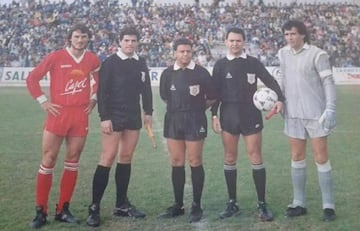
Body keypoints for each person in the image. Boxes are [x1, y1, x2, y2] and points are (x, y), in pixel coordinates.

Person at [26, 24, 101, 229]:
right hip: (58, 113)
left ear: (88, 39)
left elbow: (99, 79)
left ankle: (63, 209)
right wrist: (43, 100)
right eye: (76, 36)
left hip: (80, 115)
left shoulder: (92, 59)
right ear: (70, 38)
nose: (80, 40)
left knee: (73, 160)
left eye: (84, 37)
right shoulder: (56, 56)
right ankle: (40, 211)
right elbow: (32, 78)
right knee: (48, 159)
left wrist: (93, 99)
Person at [211, 27, 284, 221]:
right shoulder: (220, 65)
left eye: (238, 40)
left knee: (255, 155)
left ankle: (262, 203)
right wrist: (214, 115)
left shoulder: (253, 63)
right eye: (231, 40)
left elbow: (270, 81)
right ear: (225, 42)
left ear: (244, 42)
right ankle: (232, 203)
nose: (235, 43)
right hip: (228, 115)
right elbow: (215, 93)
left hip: (251, 115)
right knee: (229, 157)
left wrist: (280, 99)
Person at [86, 26, 153, 227]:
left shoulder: (140, 62)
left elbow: (146, 89)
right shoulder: (110, 63)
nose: (130, 44)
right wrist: (104, 117)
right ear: (120, 42)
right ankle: (94, 207)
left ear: (137, 42)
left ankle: (121, 204)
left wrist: (148, 111)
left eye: (133, 41)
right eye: (127, 40)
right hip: (113, 116)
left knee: (126, 158)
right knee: (107, 158)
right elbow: (102, 92)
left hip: (133, 116)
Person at [278, 20, 336, 222]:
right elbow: (283, 80)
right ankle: (299, 202)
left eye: (293, 34)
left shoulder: (318, 54)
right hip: (292, 114)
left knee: (321, 157)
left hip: (315, 114)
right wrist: (280, 101)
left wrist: (330, 108)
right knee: (296, 156)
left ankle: (328, 206)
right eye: (286, 34)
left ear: (302, 34)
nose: (289, 38)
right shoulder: (282, 54)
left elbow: (328, 82)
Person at [158, 38, 216, 223]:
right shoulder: (167, 74)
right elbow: (165, 97)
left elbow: (212, 97)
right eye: (181, 51)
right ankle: (178, 204)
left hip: (195, 119)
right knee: (176, 161)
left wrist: (197, 109)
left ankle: (196, 205)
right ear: (174, 52)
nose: (185, 55)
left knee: (195, 160)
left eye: (188, 51)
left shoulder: (201, 73)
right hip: (174, 119)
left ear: (192, 53)